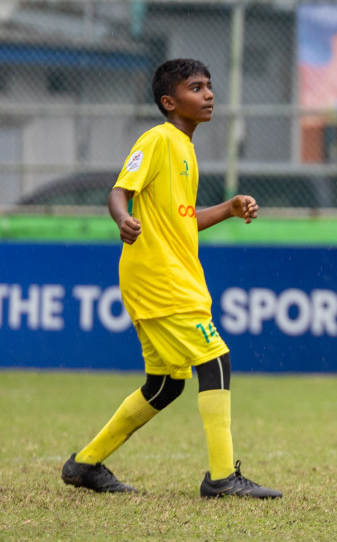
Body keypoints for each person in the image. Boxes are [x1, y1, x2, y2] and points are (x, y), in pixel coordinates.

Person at [62, 58, 281, 499]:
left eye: (209, 85)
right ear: (169, 101)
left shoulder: (184, 147)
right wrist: (123, 219)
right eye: (196, 87)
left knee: (164, 384)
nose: (208, 94)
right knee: (215, 358)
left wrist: (230, 208)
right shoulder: (159, 139)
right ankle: (221, 478)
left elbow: (184, 220)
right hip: (159, 277)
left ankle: (84, 464)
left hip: (171, 275)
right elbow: (119, 189)